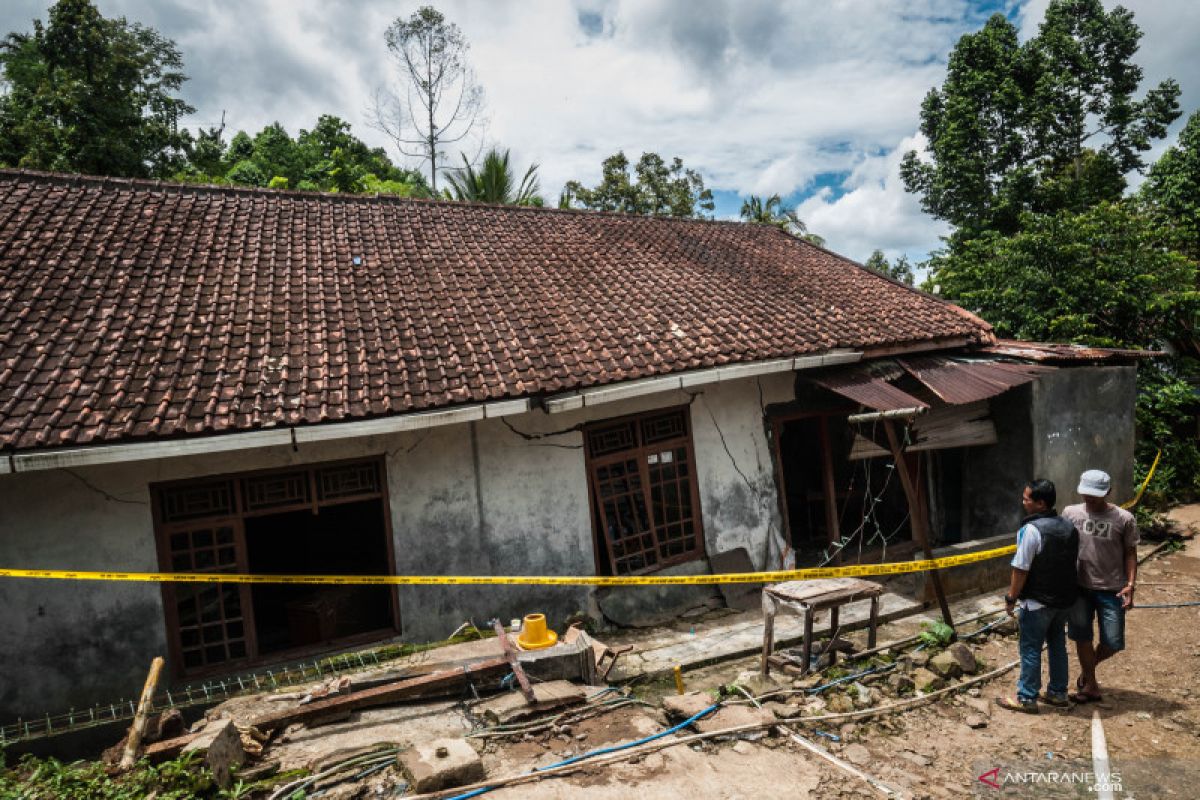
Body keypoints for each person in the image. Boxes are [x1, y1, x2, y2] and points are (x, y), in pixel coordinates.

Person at [997, 479, 1079, 714]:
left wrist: (1011, 597)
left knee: (1031, 648)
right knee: (1057, 645)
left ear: (1040, 503)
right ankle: (1058, 693)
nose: (1023, 502)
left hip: (1037, 602)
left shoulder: (1032, 530)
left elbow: (1020, 568)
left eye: (1026, 499)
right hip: (1063, 600)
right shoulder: (1069, 527)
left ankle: (1026, 697)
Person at [1064, 469, 1138, 704]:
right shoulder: (1070, 513)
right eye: (1086, 493)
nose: (1090, 498)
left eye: (1095, 494)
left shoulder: (1123, 518)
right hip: (1078, 588)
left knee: (1113, 642)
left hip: (1111, 588)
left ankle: (1088, 670)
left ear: (1108, 492)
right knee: (1081, 635)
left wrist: (1130, 584)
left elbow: (1130, 552)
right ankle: (1091, 685)